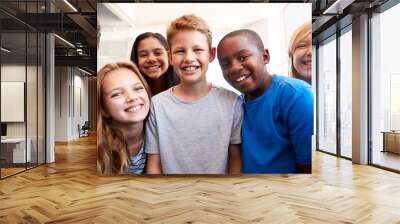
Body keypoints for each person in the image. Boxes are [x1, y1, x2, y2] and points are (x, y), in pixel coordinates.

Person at [145, 14, 243, 174]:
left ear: (211, 54)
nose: (189, 58)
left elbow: (235, 159)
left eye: (198, 50)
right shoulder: (157, 105)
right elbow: (154, 165)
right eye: (180, 51)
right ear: (170, 57)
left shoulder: (232, 102)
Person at [217, 29, 313, 174]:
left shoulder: (296, 95)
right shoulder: (236, 105)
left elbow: (308, 168)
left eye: (243, 57)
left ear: (265, 56)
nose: (235, 67)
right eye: (225, 64)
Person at [97, 61, 151, 175]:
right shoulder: (98, 148)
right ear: (104, 109)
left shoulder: (162, 134)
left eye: (137, 88)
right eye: (116, 94)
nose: (132, 97)